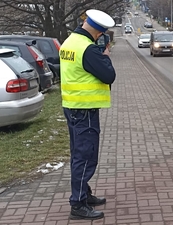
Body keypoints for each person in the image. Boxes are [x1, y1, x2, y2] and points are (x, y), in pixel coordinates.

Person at [59, 9, 116, 220]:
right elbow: (109, 76)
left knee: (78, 154)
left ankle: (85, 193)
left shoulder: (69, 42)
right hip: (85, 111)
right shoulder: (88, 49)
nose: (101, 37)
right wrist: (107, 57)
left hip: (72, 107)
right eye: (101, 34)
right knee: (85, 157)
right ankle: (78, 203)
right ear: (97, 31)